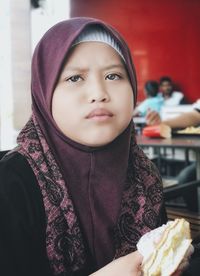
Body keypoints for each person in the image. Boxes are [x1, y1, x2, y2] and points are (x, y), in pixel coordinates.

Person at [1, 17, 188, 276]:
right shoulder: (12, 183)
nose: (99, 92)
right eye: (75, 78)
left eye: (113, 75)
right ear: (44, 93)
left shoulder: (145, 176)